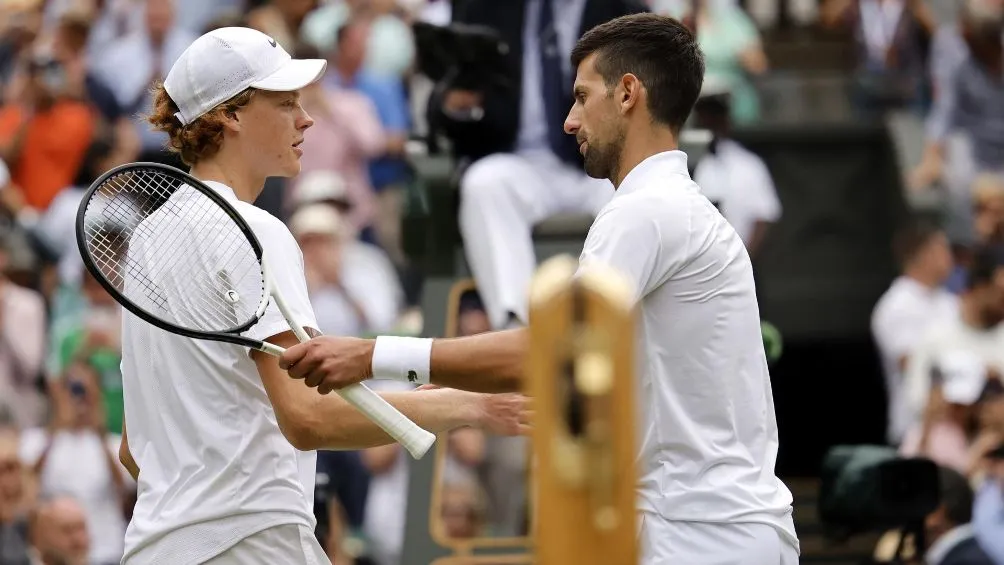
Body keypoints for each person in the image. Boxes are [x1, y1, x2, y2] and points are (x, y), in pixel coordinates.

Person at [280, 13, 800, 564]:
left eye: (581, 97)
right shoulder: (668, 205)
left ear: (628, 94)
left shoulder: (646, 211)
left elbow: (550, 351)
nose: (570, 121)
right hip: (702, 530)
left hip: (701, 537)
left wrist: (370, 355)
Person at [117, 26, 529, 565]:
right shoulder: (256, 231)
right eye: (286, 103)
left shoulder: (148, 239)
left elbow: (134, 449)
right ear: (230, 116)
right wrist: (464, 404)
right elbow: (307, 418)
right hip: (250, 543)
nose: (306, 118)